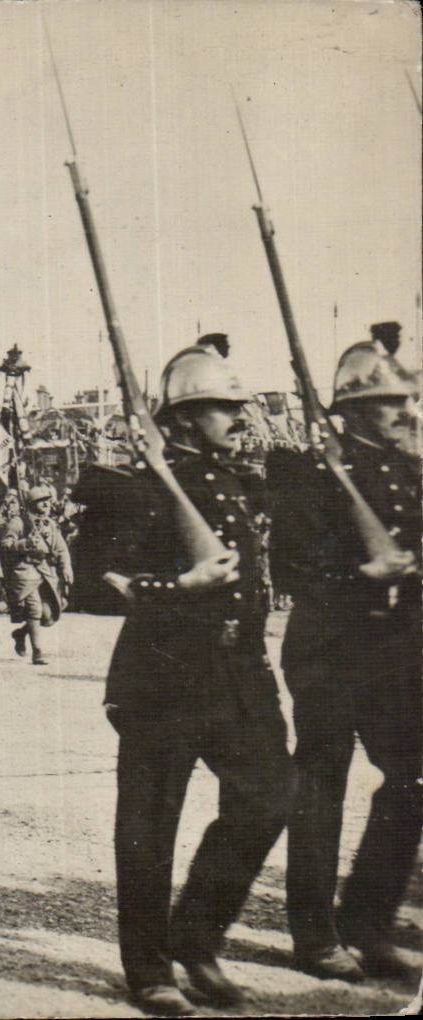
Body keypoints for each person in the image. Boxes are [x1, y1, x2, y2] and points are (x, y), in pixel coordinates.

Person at [95, 341, 290, 1016]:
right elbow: (101, 584)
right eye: (222, 410)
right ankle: (149, 969)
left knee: (270, 795)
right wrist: (179, 584)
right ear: (182, 419)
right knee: (150, 825)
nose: (241, 419)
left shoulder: (241, 482)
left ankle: (197, 938)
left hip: (239, 672)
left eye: (239, 408)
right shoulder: (139, 484)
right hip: (163, 677)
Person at [272, 321, 422, 983]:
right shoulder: (314, 475)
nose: (406, 412)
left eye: (408, 402)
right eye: (393, 402)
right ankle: (315, 935)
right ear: (358, 409)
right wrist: (363, 576)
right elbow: (292, 571)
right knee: (321, 787)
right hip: (329, 650)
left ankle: (367, 919)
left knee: (411, 781)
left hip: (395, 651)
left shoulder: (411, 472)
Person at [0, 483, 72, 666]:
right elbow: (6, 544)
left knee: (48, 615)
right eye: (42, 501)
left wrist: (66, 567)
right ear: (32, 503)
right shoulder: (19, 522)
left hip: (46, 571)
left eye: (48, 501)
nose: (47, 504)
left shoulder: (50, 523)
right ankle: (37, 652)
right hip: (25, 570)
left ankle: (22, 633)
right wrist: (24, 543)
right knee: (34, 609)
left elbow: (61, 548)